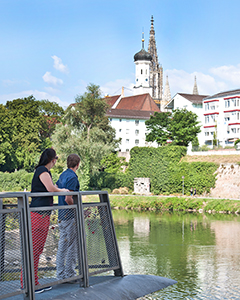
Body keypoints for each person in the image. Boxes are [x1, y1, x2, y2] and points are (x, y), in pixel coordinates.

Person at [25, 148, 69, 294]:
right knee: (34, 249)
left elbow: (51, 187)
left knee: (36, 249)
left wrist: (59, 188)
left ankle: (33, 282)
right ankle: (30, 283)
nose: (56, 161)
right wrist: (63, 191)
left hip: (42, 214)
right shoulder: (43, 171)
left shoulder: (43, 171)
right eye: (56, 158)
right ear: (53, 159)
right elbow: (50, 188)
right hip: (38, 214)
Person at [56, 154, 81, 281]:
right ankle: (70, 274)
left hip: (61, 214)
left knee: (62, 245)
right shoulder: (72, 178)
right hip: (69, 216)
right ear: (78, 164)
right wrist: (76, 210)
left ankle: (60, 274)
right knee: (72, 245)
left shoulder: (62, 175)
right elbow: (68, 198)